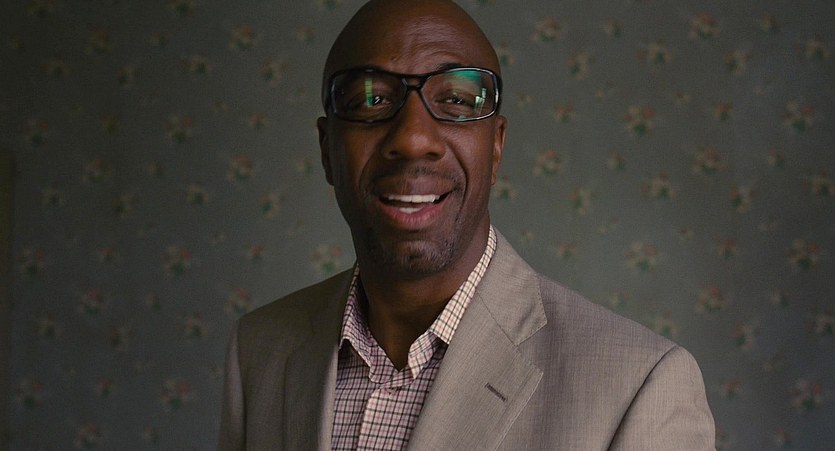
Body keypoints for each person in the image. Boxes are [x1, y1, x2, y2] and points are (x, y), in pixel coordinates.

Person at [218, 0, 715, 449]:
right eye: (371, 99)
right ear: (327, 150)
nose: (413, 139)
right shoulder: (259, 351)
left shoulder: (640, 386)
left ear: (496, 147)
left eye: (456, 99)